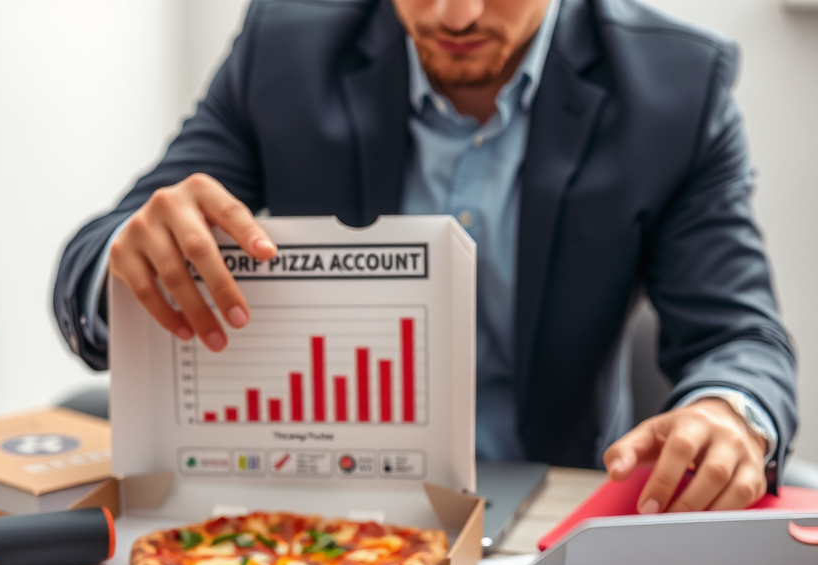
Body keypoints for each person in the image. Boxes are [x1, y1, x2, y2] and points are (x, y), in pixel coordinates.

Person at [54, 0, 797, 514]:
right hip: (307, 508)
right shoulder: (283, 44)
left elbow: (740, 337)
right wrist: (128, 257)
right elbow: (98, 255)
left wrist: (728, 413)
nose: (455, 15)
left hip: (540, 508)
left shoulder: (678, 88)